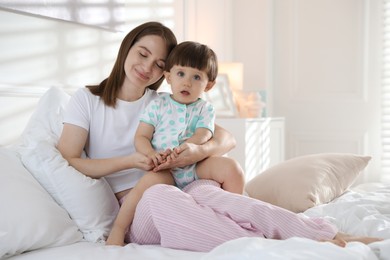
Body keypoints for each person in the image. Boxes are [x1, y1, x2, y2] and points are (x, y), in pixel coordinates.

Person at [57, 21, 382, 252]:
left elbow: (225, 138)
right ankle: (278, 247)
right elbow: (70, 159)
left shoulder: (164, 100)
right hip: (137, 203)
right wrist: (130, 159)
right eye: (141, 54)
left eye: (158, 64)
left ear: (166, 73)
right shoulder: (87, 100)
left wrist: (196, 150)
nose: (147, 68)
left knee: (218, 195)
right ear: (127, 48)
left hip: (180, 181)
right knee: (161, 194)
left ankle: (330, 235)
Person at [106, 41, 245, 246]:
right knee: (143, 187)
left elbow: (204, 133)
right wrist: (151, 154)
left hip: (195, 164)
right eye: (180, 74)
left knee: (232, 167)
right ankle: (118, 229)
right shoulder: (158, 104)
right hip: (164, 168)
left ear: (208, 85)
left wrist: (190, 148)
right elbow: (141, 137)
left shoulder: (204, 108)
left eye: (196, 77)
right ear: (168, 77)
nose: (187, 82)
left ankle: (236, 216)